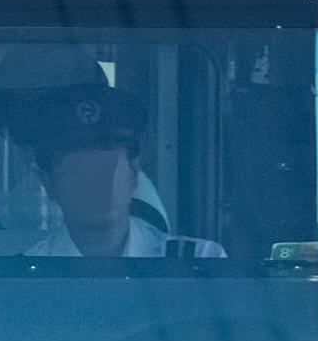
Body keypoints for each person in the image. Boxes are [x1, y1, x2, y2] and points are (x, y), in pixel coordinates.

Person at [15, 85, 224, 262]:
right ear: (48, 183)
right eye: (78, 169)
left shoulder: (198, 263)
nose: (96, 183)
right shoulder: (24, 280)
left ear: (133, 172)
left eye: (107, 167)